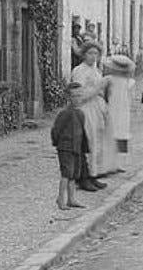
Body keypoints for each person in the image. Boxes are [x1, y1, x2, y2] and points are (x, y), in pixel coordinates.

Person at [70, 41, 117, 190]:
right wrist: (100, 85)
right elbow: (79, 94)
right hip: (86, 108)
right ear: (84, 54)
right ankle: (83, 178)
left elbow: (100, 91)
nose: (93, 56)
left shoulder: (96, 70)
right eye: (90, 53)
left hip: (97, 108)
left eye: (96, 53)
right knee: (88, 141)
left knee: (98, 141)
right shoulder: (79, 71)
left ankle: (93, 174)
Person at [51, 82, 88, 210]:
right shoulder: (65, 114)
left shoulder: (81, 114)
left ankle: (71, 199)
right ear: (69, 98)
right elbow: (56, 130)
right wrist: (59, 143)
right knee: (66, 174)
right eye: (74, 96)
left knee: (74, 175)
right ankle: (61, 199)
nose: (78, 99)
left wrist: (84, 147)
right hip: (66, 148)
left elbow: (83, 132)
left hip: (76, 147)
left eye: (80, 95)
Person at [103, 54, 136, 171]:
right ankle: (110, 162)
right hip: (112, 109)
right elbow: (105, 96)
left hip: (123, 110)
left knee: (122, 134)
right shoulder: (109, 80)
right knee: (111, 134)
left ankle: (121, 162)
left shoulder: (129, 82)